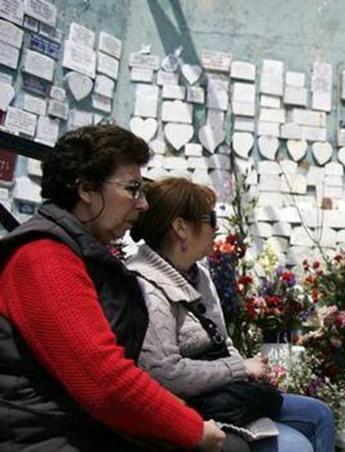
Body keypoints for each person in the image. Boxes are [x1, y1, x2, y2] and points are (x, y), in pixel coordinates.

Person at [0, 125, 226, 450]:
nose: (143, 204)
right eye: (133, 188)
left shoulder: (82, 253)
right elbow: (103, 382)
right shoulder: (43, 258)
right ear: (87, 189)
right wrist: (194, 429)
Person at [127, 177, 335, 452]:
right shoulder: (146, 284)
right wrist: (239, 368)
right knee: (294, 446)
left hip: (223, 395)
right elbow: (165, 373)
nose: (217, 228)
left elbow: (222, 342)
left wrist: (248, 372)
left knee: (319, 414)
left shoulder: (198, 274)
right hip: (190, 407)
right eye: (210, 218)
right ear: (180, 227)